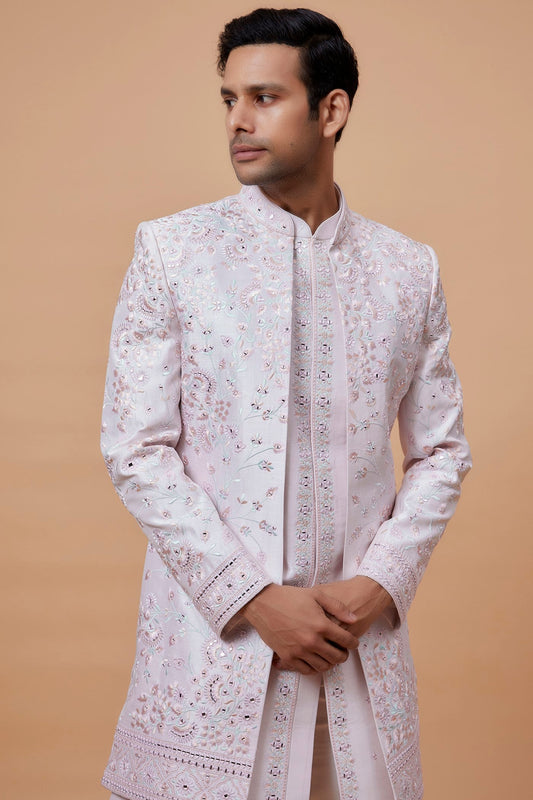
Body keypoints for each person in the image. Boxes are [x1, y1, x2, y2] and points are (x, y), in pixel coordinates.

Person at [101, 8, 471, 800]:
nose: (237, 120)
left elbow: (441, 451)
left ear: (330, 110)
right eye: (228, 99)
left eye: (263, 97)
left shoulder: (406, 269)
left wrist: (381, 583)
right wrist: (252, 600)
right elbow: (136, 450)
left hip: (354, 655)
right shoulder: (173, 252)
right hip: (216, 652)